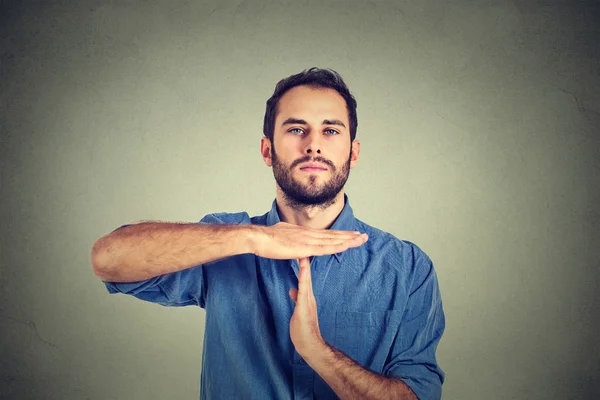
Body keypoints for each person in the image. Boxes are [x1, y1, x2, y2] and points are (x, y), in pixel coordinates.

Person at [91, 67, 445, 400]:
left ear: (353, 153)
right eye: (295, 129)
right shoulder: (224, 241)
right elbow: (108, 260)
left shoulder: (408, 267)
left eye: (331, 130)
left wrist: (317, 352)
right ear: (267, 150)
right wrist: (252, 238)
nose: (313, 145)